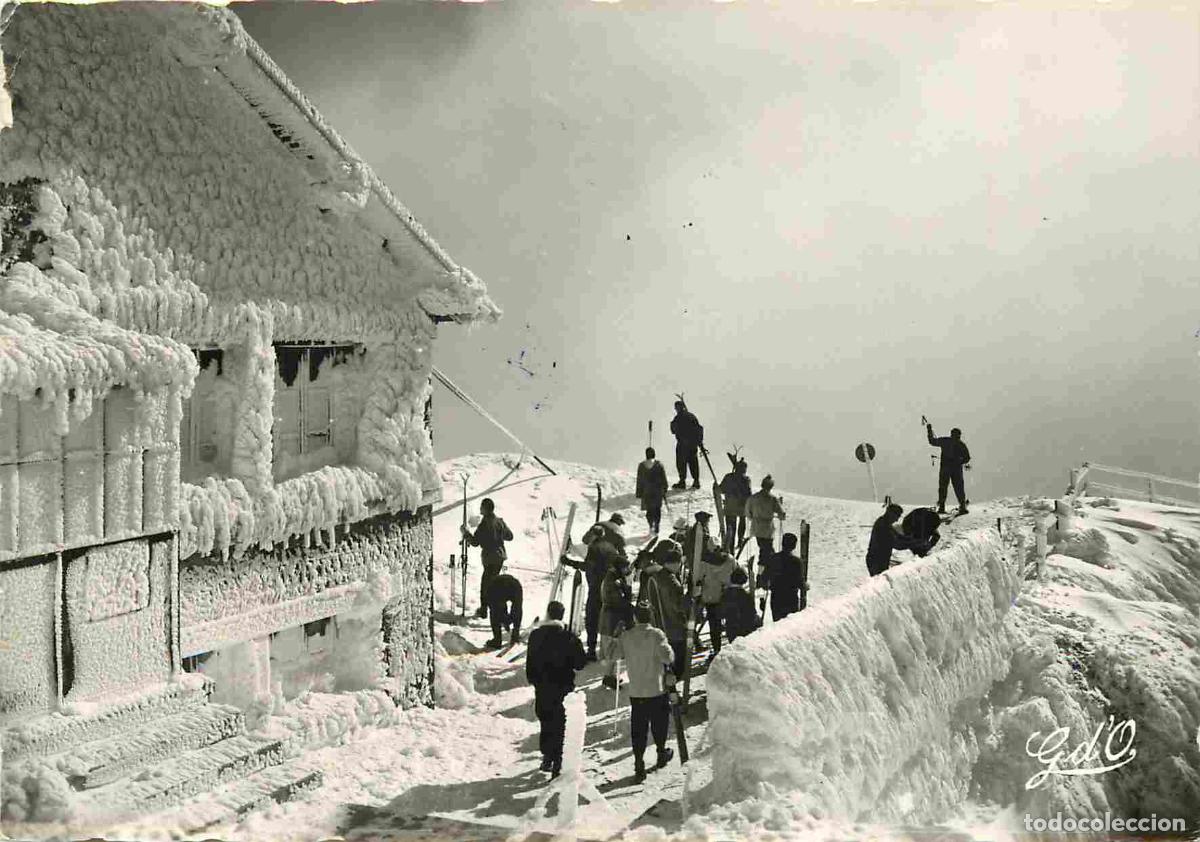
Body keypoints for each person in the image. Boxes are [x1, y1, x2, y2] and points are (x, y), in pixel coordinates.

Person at [612, 604, 676, 782]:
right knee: (659, 724)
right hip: (656, 689)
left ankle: (638, 762)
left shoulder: (626, 636)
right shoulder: (656, 634)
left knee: (638, 729)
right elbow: (667, 658)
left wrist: (616, 636)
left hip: (637, 691)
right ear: (651, 617)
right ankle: (661, 752)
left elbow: (611, 656)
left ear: (635, 618)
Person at [526, 601, 588, 776]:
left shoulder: (536, 635)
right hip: (563, 686)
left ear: (548, 614)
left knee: (545, 719)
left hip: (543, 686)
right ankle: (558, 762)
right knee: (561, 723)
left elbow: (530, 662)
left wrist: (533, 679)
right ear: (562, 615)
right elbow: (580, 664)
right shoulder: (569, 637)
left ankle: (547, 756)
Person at [572, 514, 626, 661]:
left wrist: (570, 562)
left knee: (592, 616)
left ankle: (591, 649)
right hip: (609, 587)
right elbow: (623, 559)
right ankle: (608, 650)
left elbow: (588, 565)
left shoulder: (594, 547)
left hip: (596, 586)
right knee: (607, 616)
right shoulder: (612, 544)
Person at [461, 498, 514, 619]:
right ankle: (494, 610)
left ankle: (486, 610)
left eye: (481, 507)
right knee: (493, 583)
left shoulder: (485, 524)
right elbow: (510, 536)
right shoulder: (499, 521)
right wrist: (499, 533)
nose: (480, 509)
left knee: (486, 585)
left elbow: (475, 542)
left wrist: (465, 533)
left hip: (490, 558)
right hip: (500, 556)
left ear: (485, 509)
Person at [641, 544, 688, 679]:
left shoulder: (655, 577)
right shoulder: (672, 582)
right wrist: (691, 596)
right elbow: (679, 606)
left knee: (665, 659)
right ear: (674, 563)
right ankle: (673, 688)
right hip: (675, 627)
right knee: (678, 663)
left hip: (659, 625)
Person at [598, 557, 635, 689]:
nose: (627, 570)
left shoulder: (612, 578)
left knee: (613, 649)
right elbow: (620, 601)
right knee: (612, 649)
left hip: (611, 617)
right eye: (625, 567)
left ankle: (610, 675)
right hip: (612, 619)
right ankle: (608, 677)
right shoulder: (612, 581)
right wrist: (628, 589)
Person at [693, 548, 735, 658]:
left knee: (714, 627)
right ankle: (732, 648)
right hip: (727, 597)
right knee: (729, 623)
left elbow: (697, 581)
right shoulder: (730, 560)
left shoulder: (704, 564)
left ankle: (717, 650)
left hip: (711, 599)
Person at [866, 503, 929, 577]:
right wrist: (917, 543)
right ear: (890, 513)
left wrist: (915, 540)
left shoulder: (885, 523)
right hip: (876, 561)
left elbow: (899, 537)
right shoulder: (883, 526)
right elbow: (898, 544)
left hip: (880, 560)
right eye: (897, 516)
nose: (897, 520)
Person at [760, 533, 808, 621]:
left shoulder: (773, 558)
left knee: (778, 625)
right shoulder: (797, 562)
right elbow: (800, 583)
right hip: (791, 599)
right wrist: (806, 586)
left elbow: (764, 579)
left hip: (776, 598)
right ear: (794, 546)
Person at [926, 423, 971, 515]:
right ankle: (961, 506)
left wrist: (929, 430)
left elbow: (932, 441)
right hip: (955, 469)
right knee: (958, 487)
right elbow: (967, 458)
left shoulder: (946, 441)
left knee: (944, 487)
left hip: (947, 468)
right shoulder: (960, 444)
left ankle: (943, 506)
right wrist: (960, 462)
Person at [746, 475, 786, 568]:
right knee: (767, 551)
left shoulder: (753, 498)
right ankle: (764, 571)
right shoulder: (772, 499)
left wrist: (754, 518)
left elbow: (748, 513)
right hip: (767, 529)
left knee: (764, 550)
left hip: (756, 527)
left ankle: (764, 570)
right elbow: (782, 515)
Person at [718, 459, 752, 552]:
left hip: (730, 507)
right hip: (741, 506)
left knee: (731, 527)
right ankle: (740, 539)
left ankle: (730, 546)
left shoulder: (728, 477)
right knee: (742, 520)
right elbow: (749, 494)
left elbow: (721, 490)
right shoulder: (746, 479)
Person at [669, 401, 704, 490]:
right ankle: (696, 481)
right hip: (693, 444)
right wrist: (699, 442)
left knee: (681, 463)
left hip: (682, 444)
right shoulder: (692, 416)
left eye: (676, 408)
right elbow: (699, 429)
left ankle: (682, 481)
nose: (676, 409)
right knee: (693, 462)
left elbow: (673, 430)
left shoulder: (678, 418)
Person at [484, 572, 523, 649]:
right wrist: (509, 622)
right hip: (515, 585)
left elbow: (497, 610)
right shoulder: (491, 588)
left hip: (498, 588)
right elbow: (511, 609)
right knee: (517, 607)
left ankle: (497, 640)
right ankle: (515, 633)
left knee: (494, 614)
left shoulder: (490, 591)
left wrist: (504, 620)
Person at [636, 447, 670, 535]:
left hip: (647, 492)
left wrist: (639, 493)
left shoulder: (641, 466)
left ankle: (651, 525)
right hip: (657, 492)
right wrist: (665, 488)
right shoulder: (659, 465)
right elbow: (663, 478)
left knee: (649, 511)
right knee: (657, 510)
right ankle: (657, 525)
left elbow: (639, 480)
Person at [721, 566, 760, 642]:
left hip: (730, 628)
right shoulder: (745, 595)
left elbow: (721, 612)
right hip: (744, 629)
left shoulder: (725, 594)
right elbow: (752, 614)